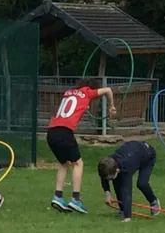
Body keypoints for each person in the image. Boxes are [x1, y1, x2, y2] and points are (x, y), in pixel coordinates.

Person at [46, 78, 114, 214]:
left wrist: (85, 105)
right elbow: (108, 90)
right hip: (65, 131)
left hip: (51, 131)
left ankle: (58, 196)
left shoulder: (68, 92)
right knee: (78, 163)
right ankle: (76, 199)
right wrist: (111, 106)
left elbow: (73, 106)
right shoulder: (87, 92)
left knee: (64, 163)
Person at [98, 140, 160, 222]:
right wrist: (107, 194)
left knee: (142, 183)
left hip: (147, 156)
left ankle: (153, 201)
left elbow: (126, 191)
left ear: (117, 170)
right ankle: (122, 210)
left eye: (110, 178)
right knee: (117, 182)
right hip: (134, 152)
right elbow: (104, 178)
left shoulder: (126, 167)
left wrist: (127, 217)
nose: (109, 180)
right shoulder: (107, 164)